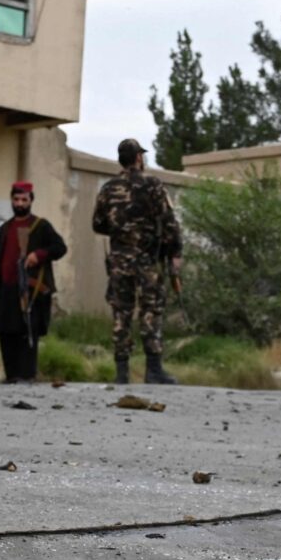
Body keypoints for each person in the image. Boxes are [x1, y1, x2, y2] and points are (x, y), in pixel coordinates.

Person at [91, 138, 183, 385]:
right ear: (139, 158)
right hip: (147, 260)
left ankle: (122, 372)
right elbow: (170, 221)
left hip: (120, 261)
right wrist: (175, 252)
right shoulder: (152, 185)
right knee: (150, 310)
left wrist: (121, 232)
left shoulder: (108, 188)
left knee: (121, 313)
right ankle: (153, 370)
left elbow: (98, 224)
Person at [0, 180, 67, 383]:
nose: (20, 203)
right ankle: (11, 375)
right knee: (5, 331)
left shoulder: (41, 226)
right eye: (16, 199)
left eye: (24, 199)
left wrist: (39, 254)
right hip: (7, 288)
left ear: (31, 201)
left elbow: (60, 247)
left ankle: (27, 375)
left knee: (27, 331)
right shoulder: (5, 228)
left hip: (31, 290)